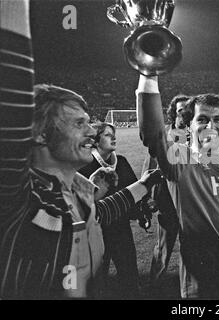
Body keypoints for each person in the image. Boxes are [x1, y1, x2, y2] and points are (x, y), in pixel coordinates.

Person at [0, 8, 160, 297]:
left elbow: (100, 213)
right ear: (38, 133)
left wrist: (146, 183)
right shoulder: (15, 196)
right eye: (78, 123)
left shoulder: (81, 191)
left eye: (90, 122)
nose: (92, 132)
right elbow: (9, 78)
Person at [136, 75, 219, 298]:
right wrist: (149, 73)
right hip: (201, 270)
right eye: (202, 119)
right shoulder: (179, 160)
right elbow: (152, 133)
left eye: (218, 120)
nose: (211, 126)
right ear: (188, 125)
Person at [79, 122, 146, 298]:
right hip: (96, 231)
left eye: (113, 134)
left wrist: (140, 213)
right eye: (108, 135)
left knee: (129, 274)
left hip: (121, 228)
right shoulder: (85, 165)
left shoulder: (121, 162)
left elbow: (133, 191)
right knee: (97, 280)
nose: (114, 137)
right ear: (96, 140)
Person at [141, 94, 190, 284]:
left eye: (188, 111)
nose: (184, 114)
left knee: (192, 249)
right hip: (166, 202)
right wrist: (147, 197)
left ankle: (190, 288)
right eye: (180, 111)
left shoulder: (198, 137)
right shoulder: (162, 138)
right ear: (173, 113)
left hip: (191, 204)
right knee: (163, 248)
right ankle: (155, 285)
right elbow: (150, 167)